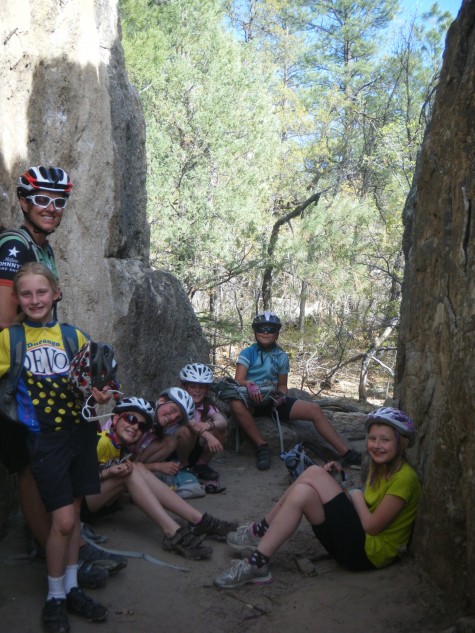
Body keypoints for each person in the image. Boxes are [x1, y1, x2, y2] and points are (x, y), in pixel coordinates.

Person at [0, 166, 117, 589]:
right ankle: (49, 549)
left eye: (59, 201)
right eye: (42, 199)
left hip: (42, 379)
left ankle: (68, 546)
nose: (51, 208)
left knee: (46, 467)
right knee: (29, 471)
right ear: (24, 202)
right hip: (18, 383)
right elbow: (4, 321)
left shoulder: (41, 248)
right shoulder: (15, 245)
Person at [0, 263, 111, 632]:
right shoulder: (9, 339)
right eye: (27, 294)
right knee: (62, 521)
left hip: (80, 436)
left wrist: (101, 392)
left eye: (42, 292)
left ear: (56, 293)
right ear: (17, 298)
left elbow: (92, 383)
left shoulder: (73, 336)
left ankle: (72, 588)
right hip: (43, 439)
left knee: (74, 518)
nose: (35, 300)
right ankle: (55, 597)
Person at [214, 407, 421, 589]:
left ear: (401, 443)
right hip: (354, 546)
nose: (376, 445)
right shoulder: (381, 468)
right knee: (303, 491)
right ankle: (257, 562)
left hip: (368, 555)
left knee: (314, 474)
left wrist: (351, 489)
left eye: (385, 440)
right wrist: (339, 486)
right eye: (373, 438)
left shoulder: (404, 478)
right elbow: (363, 507)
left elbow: (370, 526)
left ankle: (261, 531)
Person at [84, 397, 237, 560]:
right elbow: (81, 479)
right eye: (131, 419)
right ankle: (173, 532)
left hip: (96, 499)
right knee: (131, 471)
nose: (135, 427)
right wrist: (109, 473)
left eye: (141, 426)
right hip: (81, 505)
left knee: (137, 468)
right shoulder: (102, 441)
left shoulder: (117, 444)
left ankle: (199, 520)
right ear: (115, 419)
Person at [229, 311, 362, 470]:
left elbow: (282, 385)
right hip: (250, 399)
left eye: (270, 329)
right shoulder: (247, 353)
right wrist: (249, 384)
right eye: (261, 329)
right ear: (255, 332)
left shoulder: (281, 356)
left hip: (271, 400)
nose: (265, 333)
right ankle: (261, 446)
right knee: (236, 405)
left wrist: (282, 397)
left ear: (277, 334)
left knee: (314, 409)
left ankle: (347, 454)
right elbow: (238, 380)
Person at [176, 363, 228, 491]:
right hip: (175, 450)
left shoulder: (206, 406)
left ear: (207, 389)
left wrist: (209, 424)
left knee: (220, 429)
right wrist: (208, 436)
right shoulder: (177, 403)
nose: (197, 390)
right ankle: (183, 466)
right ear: (184, 387)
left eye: (201, 387)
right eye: (192, 386)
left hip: (194, 448)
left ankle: (201, 465)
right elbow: (188, 422)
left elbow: (222, 421)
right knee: (185, 431)